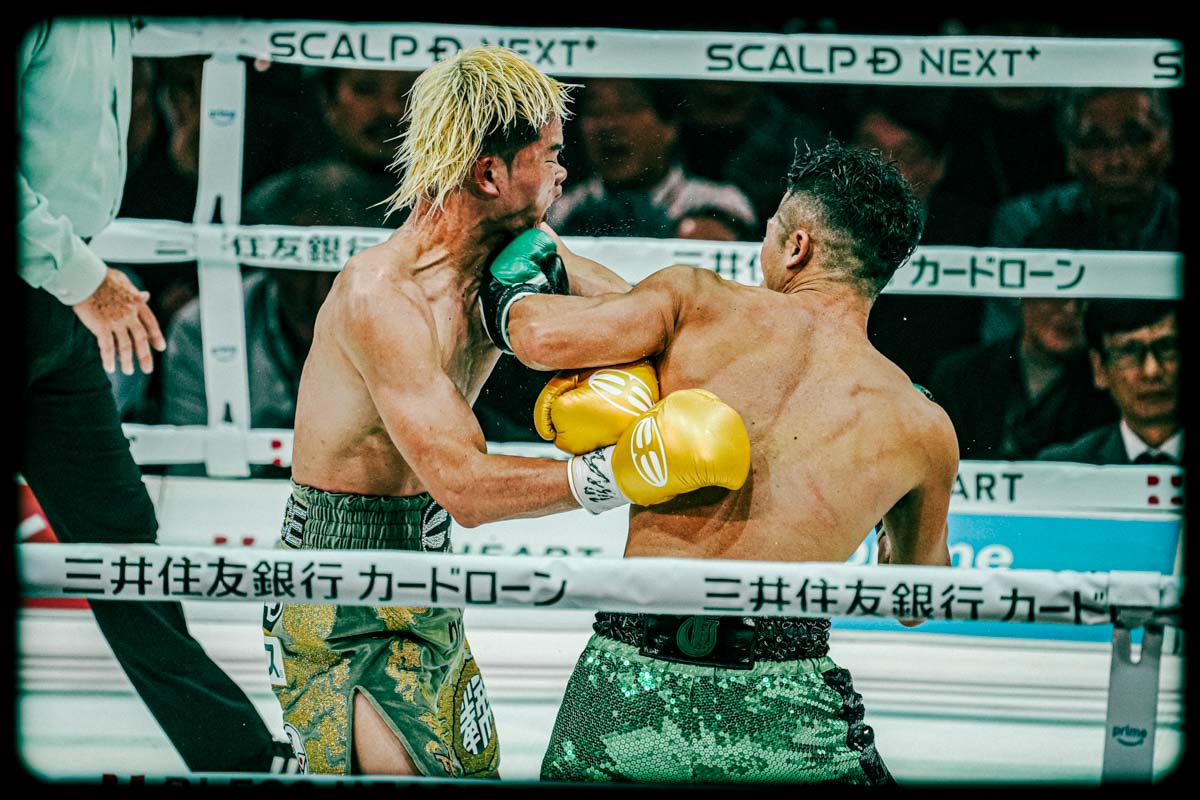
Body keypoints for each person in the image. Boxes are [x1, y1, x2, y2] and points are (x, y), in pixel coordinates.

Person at [262, 46, 750, 779]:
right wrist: (622, 472)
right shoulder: (382, 297)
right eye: (550, 155)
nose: (564, 173)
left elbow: (644, 317)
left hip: (426, 569)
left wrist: (783, 369)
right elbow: (464, 487)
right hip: (340, 588)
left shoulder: (522, 250)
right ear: (491, 174)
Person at [489, 140, 957, 784]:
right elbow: (915, 598)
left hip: (629, 680)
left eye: (769, 233)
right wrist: (890, 512)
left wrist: (521, 260)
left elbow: (538, 338)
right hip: (787, 701)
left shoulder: (695, 303)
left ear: (797, 247)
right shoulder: (921, 425)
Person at [18, 17, 295, 774]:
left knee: (121, 540)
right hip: (61, 277)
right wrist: (84, 280)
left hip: (55, 301)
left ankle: (237, 756)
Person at [928, 297, 1118, 460]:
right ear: (1024, 295)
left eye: (1084, 302)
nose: (1070, 309)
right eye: (1057, 297)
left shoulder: (1113, 387)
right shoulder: (958, 375)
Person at [1038, 300, 1180, 464]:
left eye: (1167, 347)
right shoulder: (1066, 466)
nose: (1151, 371)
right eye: (1129, 351)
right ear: (1099, 368)